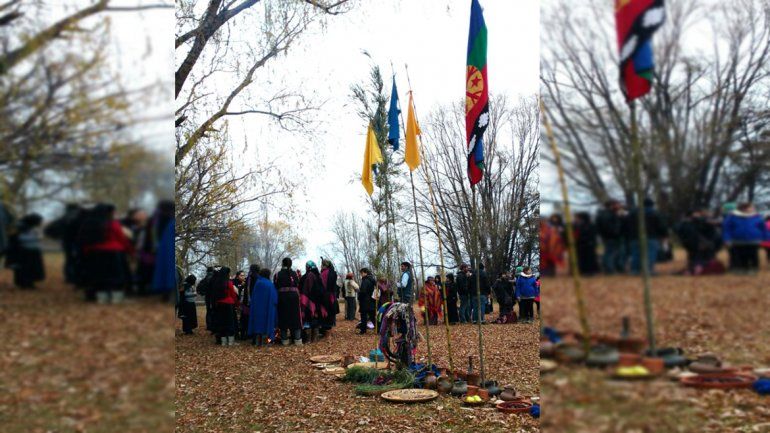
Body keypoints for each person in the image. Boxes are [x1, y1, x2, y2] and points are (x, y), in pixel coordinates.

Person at [77, 204, 134, 303]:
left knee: (99, 275)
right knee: (116, 276)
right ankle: (117, 298)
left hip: (94, 252)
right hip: (113, 252)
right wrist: (130, 250)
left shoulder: (88, 224)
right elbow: (121, 238)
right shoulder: (113, 223)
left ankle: (102, 298)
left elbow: (84, 240)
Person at [136, 200, 174, 295]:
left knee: (157, 270)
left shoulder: (155, 219)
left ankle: (158, 290)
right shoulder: (164, 219)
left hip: (155, 249)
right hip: (158, 249)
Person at [722, 202, 768, 273]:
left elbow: (763, 228)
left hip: (753, 240)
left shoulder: (756, 216)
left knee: (753, 255)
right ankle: (743, 269)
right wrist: (727, 239)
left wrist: (767, 238)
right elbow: (727, 229)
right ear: (744, 208)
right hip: (738, 240)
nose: (752, 209)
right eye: (750, 207)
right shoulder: (732, 217)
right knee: (742, 255)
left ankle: (754, 268)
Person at [626, 198, 669, 275]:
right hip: (651, 236)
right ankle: (648, 270)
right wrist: (664, 235)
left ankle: (635, 270)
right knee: (650, 253)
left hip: (634, 237)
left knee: (636, 254)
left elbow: (627, 225)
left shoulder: (632, 213)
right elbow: (661, 226)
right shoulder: (655, 213)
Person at [5, 213, 45, 289]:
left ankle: (27, 283)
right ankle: (25, 284)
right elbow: (17, 239)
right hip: (24, 251)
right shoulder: (21, 228)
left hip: (28, 250)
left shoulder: (27, 227)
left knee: (27, 268)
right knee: (25, 269)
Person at [275, 258, 302, 346]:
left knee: (283, 317)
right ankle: (297, 339)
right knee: (295, 317)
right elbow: (298, 284)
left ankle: (284, 339)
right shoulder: (295, 274)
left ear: (283, 264)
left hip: (282, 297)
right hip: (294, 297)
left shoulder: (278, 274)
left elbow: (276, 285)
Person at [248, 268, 278, 346]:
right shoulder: (270, 284)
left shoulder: (258, 283)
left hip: (258, 309)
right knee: (268, 324)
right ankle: (268, 341)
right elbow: (274, 298)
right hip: (268, 308)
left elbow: (253, 296)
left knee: (258, 325)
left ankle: (258, 342)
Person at [212, 267, 239, 346]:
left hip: (219, 304)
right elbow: (233, 294)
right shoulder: (228, 283)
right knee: (230, 322)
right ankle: (231, 342)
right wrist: (236, 303)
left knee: (222, 322)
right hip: (228, 304)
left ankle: (223, 342)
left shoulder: (216, 282)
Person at [596, 200, 625, 274]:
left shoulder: (605, 214)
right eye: (617, 204)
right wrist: (616, 232)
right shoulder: (608, 214)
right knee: (610, 253)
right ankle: (609, 269)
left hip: (609, 236)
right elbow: (608, 227)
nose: (619, 206)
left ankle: (612, 267)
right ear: (612, 205)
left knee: (612, 252)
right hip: (611, 237)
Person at [299, 260, 324, 343]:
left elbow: (305, 289)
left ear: (308, 267)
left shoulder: (308, 276)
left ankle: (308, 339)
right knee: (315, 318)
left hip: (308, 300)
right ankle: (314, 339)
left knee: (307, 319)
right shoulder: (318, 276)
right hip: (317, 301)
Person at [319, 259, 339, 337]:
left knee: (325, 312)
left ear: (324, 265)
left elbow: (322, 285)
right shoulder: (333, 272)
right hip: (332, 296)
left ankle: (326, 333)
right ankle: (329, 332)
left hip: (325, 295)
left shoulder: (324, 273)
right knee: (331, 313)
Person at [241, 265, 260, 340]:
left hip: (247, 302)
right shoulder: (258, 278)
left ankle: (245, 334)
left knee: (245, 318)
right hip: (255, 302)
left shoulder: (249, 277)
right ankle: (253, 334)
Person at [357, 268, 376, 334]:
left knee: (364, 316)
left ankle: (363, 331)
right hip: (371, 301)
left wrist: (359, 297)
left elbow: (363, 291)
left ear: (365, 273)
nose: (361, 275)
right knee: (372, 316)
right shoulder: (372, 280)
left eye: (361, 273)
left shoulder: (365, 280)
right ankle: (379, 329)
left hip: (365, 301)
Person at [197, 267, 216, 332]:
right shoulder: (214, 278)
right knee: (213, 310)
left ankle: (209, 326)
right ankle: (213, 325)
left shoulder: (204, 279)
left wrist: (203, 293)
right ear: (213, 271)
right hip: (213, 297)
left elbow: (198, 288)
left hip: (207, 296)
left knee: (208, 311)